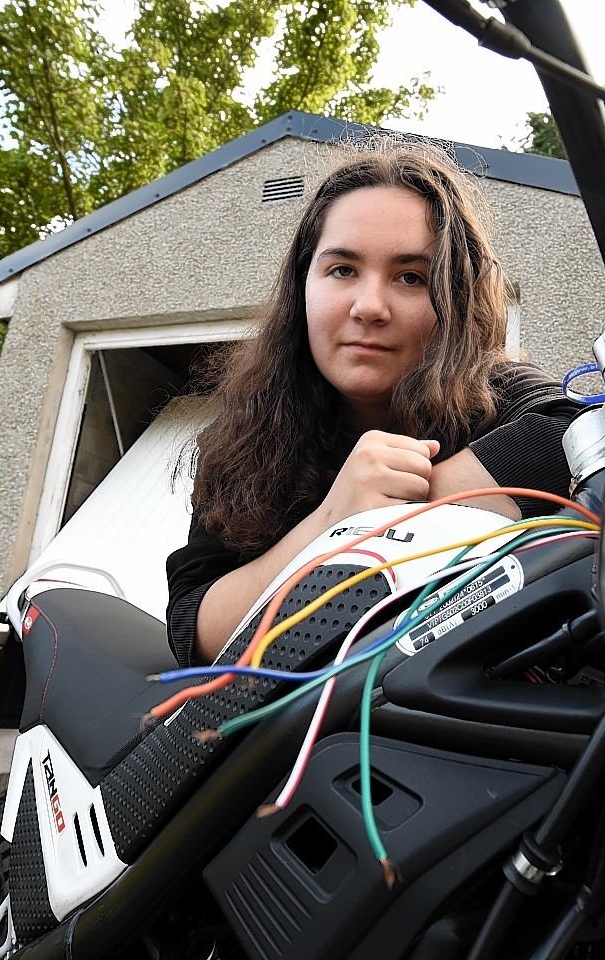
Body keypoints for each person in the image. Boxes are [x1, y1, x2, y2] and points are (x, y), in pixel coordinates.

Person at [165, 141, 579, 668]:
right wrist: (332, 523)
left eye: (412, 277)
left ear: (454, 300)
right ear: (304, 287)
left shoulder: (495, 390)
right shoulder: (242, 439)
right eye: (342, 269)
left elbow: (573, 431)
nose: (370, 307)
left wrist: (400, 511)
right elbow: (192, 630)